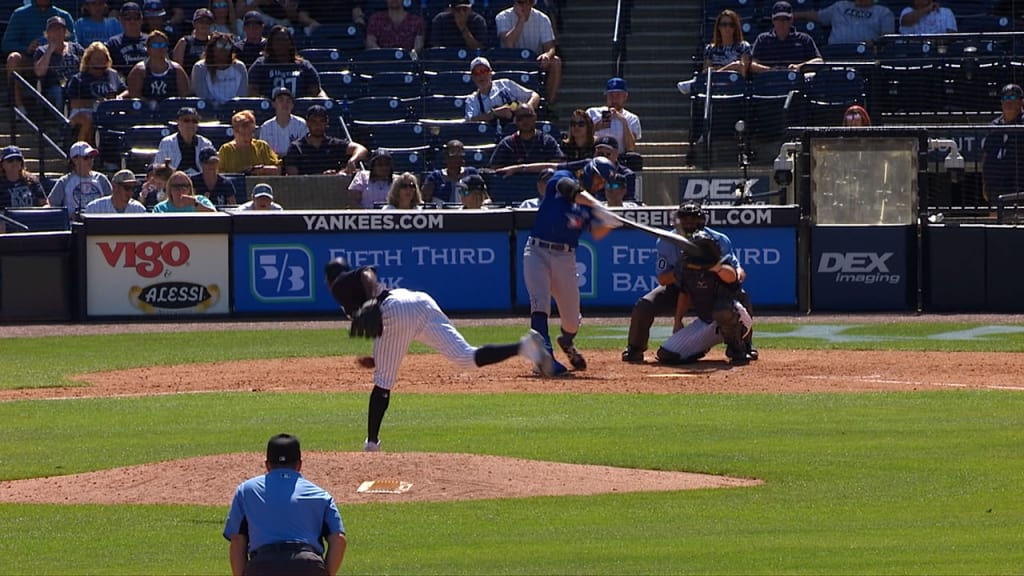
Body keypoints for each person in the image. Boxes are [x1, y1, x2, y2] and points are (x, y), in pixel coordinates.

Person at [324, 258, 555, 451]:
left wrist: (372, 300)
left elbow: (367, 272)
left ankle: (371, 445)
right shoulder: (353, 295)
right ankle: (525, 346)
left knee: (383, 384)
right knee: (467, 357)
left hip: (394, 308)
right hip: (419, 302)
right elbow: (385, 333)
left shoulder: (338, 285)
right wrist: (377, 357)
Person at [622, 202, 755, 363]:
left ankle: (742, 346)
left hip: (714, 291)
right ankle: (635, 349)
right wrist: (683, 269)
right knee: (645, 305)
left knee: (737, 300)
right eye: (684, 219)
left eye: (694, 219)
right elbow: (663, 279)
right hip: (680, 288)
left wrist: (711, 266)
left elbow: (738, 274)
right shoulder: (666, 242)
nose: (689, 223)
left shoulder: (718, 240)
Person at [523, 161, 621, 375]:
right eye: (598, 178)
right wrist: (599, 207)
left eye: (603, 182)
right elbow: (571, 191)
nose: (600, 184)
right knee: (539, 302)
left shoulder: (591, 205)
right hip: (536, 250)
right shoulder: (562, 177)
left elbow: (596, 233)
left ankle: (566, 342)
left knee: (572, 320)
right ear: (588, 172)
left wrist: (609, 221)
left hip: (565, 257)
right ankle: (543, 357)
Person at [223, 433, 346, 576]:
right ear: (299, 465)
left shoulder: (245, 491)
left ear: (267, 465)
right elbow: (338, 539)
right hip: (308, 566)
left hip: (262, 567)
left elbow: (237, 539)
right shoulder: (321, 495)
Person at [652, 229, 754, 367]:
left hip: (737, 318)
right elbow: (684, 293)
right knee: (667, 354)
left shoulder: (722, 263)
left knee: (722, 310)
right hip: (706, 321)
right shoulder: (685, 267)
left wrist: (714, 267)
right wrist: (678, 321)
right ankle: (699, 348)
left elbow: (732, 277)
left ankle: (738, 348)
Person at [2, 0, 76, 111]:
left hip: (58, 62)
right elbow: (7, 45)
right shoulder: (20, 14)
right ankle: (18, 107)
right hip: (31, 61)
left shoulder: (63, 15)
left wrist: (57, 45)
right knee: (13, 58)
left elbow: (74, 43)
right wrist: (27, 47)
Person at [494, 0, 562, 106]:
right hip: (510, 62)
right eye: (521, 2)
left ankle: (548, 105)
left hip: (535, 63)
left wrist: (547, 56)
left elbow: (550, 47)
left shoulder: (542, 19)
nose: (525, 5)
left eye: (529, 2)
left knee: (556, 62)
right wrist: (521, 20)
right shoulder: (502, 17)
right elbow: (509, 44)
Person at [65, 41, 125, 145]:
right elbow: (74, 104)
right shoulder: (78, 79)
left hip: (109, 111)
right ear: (89, 59)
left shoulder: (113, 75)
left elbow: (126, 90)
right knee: (89, 119)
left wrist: (119, 97)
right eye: (96, 58)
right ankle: (81, 149)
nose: (100, 61)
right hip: (83, 111)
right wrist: (96, 103)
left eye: (102, 58)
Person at [283, 105, 368, 175]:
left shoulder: (334, 144)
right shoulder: (296, 148)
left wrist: (351, 161)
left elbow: (361, 149)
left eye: (321, 121)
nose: (317, 125)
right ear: (307, 123)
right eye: (314, 121)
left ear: (327, 123)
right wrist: (322, 177)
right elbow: (293, 178)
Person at [247, 25, 324, 99]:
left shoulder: (303, 65)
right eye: (277, 40)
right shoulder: (261, 64)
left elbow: (316, 91)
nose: (281, 43)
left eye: (284, 40)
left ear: (290, 43)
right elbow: (252, 91)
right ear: (271, 43)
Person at [750, 1, 824, 74]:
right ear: (773, 20)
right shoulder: (762, 40)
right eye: (778, 19)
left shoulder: (804, 39)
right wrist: (770, 70)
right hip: (770, 83)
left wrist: (799, 67)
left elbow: (819, 61)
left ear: (791, 20)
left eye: (785, 19)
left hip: (797, 84)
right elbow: (751, 64)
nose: (782, 23)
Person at [463, 56, 541, 124]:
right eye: (476, 73)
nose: (481, 75)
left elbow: (534, 96)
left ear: (491, 72)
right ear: (472, 77)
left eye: (484, 71)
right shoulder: (472, 100)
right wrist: (494, 114)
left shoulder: (505, 84)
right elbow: (469, 121)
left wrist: (525, 112)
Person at [46, 141, 113, 219]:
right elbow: (51, 205)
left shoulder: (101, 179)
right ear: (75, 160)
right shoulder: (64, 182)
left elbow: (112, 203)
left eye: (92, 157)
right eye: (86, 158)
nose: (90, 161)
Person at [981, 83, 1024, 202]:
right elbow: (986, 155)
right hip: (996, 184)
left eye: (1012, 98)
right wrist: (984, 183)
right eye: (1005, 98)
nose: (1008, 102)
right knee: (996, 217)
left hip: (1018, 184)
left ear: (1021, 102)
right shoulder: (994, 126)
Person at [122, 30, 191, 102]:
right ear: (148, 49)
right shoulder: (139, 71)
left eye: (163, 45)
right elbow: (134, 96)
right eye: (156, 45)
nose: (160, 48)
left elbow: (184, 96)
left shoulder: (177, 70)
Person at [489, 103, 564, 168]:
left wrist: (522, 168)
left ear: (535, 117)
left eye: (528, 116)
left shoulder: (547, 141)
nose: (525, 121)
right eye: (520, 118)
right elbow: (495, 168)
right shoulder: (507, 144)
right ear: (515, 121)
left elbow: (557, 164)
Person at [33, 16, 85, 109]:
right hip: (54, 88)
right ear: (48, 33)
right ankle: (62, 122)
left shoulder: (76, 48)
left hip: (76, 84)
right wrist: (50, 50)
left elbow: (87, 65)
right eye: (53, 30)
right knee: (59, 92)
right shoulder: (41, 51)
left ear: (65, 32)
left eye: (59, 29)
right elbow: (39, 72)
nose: (57, 33)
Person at [794, 0, 896, 45]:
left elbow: (887, 38)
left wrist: (874, 43)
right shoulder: (840, 6)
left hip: (865, 56)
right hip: (835, 54)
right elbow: (817, 16)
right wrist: (793, 16)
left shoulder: (883, 12)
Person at [586, 77, 641, 155]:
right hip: (595, 157)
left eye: (618, 95)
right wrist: (597, 127)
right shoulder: (592, 113)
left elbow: (630, 148)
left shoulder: (632, 118)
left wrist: (623, 121)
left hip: (620, 158)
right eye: (611, 95)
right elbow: (580, 138)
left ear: (625, 96)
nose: (614, 99)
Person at [191, 31, 248, 105]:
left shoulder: (239, 67)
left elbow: (242, 94)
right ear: (212, 47)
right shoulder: (200, 67)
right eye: (220, 45)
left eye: (227, 46)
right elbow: (203, 95)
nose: (223, 48)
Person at [218, 109, 282, 175]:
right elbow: (220, 175)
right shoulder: (226, 150)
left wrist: (261, 170)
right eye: (243, 134)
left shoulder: (262, 146)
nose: (247, 137)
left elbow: (277, 169)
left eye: (251, 133)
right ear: (234, 132)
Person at [155, 107, 214, 176]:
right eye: (186, 120)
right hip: (174, 183)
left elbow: (211, 171)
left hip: (199, 184)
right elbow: (158, 170)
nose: (190, 124)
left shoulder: (206, 144)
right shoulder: (167, 143)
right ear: (178, 122)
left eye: (194, 121)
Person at [259, 86, 308, 157]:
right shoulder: (266, 127)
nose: (285, 104)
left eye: (288, 101)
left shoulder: (301, 124)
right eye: (281, 100)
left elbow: (304, 151)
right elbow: (263, 153)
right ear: (274, 104)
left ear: (292, 105)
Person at [422, 139, 472, 204]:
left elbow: (485, 198)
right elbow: (424, 200)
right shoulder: (435, 177)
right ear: (446, 156)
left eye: (459, 153)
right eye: (453, 153)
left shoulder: (471, 173)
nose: (456, 157)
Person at [106, 1, 149, 76]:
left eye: (136, 18)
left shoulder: (150, 40)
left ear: (142, 19)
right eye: (128, 18)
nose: (132, 21)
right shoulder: (114, 43)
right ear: (121, 20)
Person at [152, 169, 217, 212]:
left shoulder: (200, 200)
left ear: (189, 188)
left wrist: (196, 204)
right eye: (176, 186)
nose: (180, 190)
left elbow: (217, 217)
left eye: (184, 186)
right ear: (170, 189)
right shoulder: (160, 209)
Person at [171, 7, 213, 73]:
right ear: (194, 23)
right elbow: (177, 68)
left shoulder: (213, 42)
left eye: (207, 22)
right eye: (201, 21)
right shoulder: (184, 42)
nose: (204, 24)